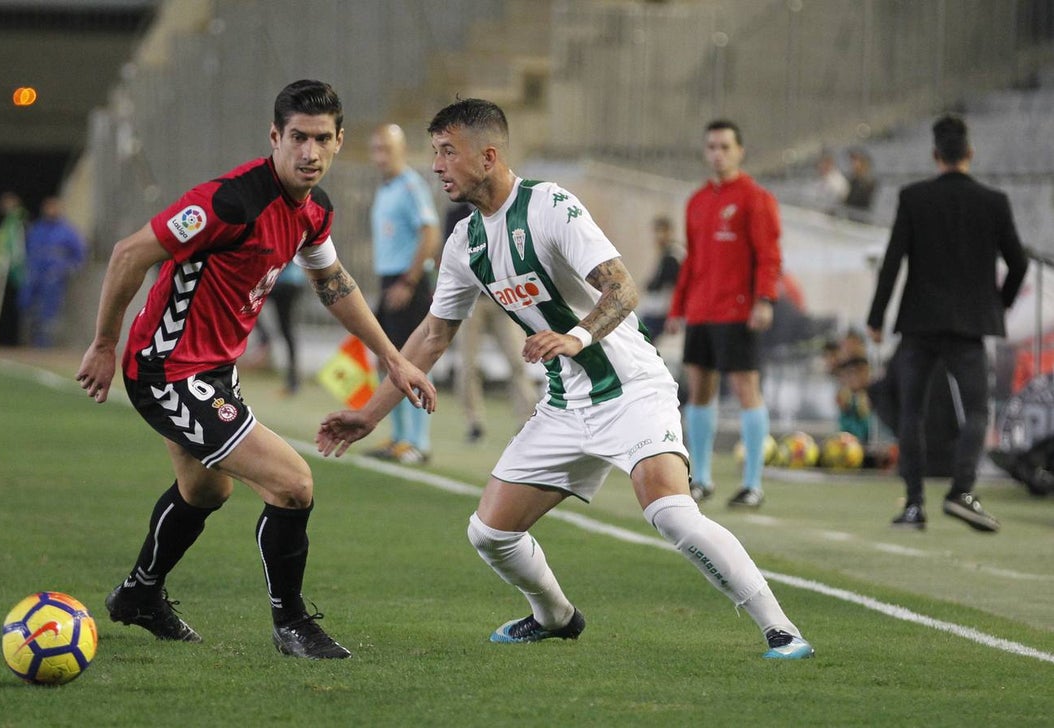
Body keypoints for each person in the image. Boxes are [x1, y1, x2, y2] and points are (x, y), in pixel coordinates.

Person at [317, 98, 813, 660]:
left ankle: (783, 631)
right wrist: (368, 413)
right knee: (489, 533)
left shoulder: (550, 205)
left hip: (631, 390)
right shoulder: (464, 244)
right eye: (434, 152)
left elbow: (621, 289)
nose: (436, 165)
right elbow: (431, 338)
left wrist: (575, 338)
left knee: (671, 512)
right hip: (566, 404)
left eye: (447, 152)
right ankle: (554, 617)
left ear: (488, 155)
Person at [75, 80, 436, 660]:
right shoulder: (229, 202)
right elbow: (128, 253)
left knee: (206, 489)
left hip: (213, 370)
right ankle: (292, 624)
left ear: (340, 141)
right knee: (292, 484)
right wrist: (102, 342)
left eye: (322, 139)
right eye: (297, 137)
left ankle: (139, 595)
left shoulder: (313, 211)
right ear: (275, 137)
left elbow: (332, 283)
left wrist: (393, 359)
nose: (309, 152)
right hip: (166, 369)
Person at [867, 113, 1028, 533]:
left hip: (919, 323)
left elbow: (893, 262)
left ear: (935, 155)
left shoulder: (913, 197)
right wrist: (998, 305)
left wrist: (876, 317)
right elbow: (1019, 262)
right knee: (977, 410)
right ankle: (961, 490)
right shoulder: (993, 201)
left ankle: (915, 506)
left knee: (911, 413)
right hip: (970, 325)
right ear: (969, 154)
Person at [666, 119, 782, 509]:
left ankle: (753, 484)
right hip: (701, 310)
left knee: (747, 389)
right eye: (712, 147)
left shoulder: (755, 198)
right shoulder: (697, 201)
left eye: (725, 147)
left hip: (738, 311)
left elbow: (769, 254)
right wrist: (678, 306)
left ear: (740, 151)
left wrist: (764, 298)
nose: (718, 153)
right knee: (699, 390)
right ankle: (700, 478)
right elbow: (692, 260)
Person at [365, 123, 441, 464]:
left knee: (411, 360)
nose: (381, 157)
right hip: (389, 281)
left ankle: (418, 442)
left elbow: (430, 233)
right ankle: (398, 438)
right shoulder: (386, 188)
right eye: (377, 150)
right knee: (385, 359)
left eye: (387, 150)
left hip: (408, 283)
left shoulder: (411, 185)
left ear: (401, 150)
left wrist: (408, 282)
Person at [447, 200, 537, 442]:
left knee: (518, 359)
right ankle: (473, 421)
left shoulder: (501, 212)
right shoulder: (455, 216)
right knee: (467, 363)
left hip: (501, 298)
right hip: (470, 301)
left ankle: (526, 418)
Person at [20, 196, 87, 347]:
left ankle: (47, 347)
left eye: (54, 207)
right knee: (28, 310)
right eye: (48, 207)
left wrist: (65, 270)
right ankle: (27, 345)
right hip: (34, 277)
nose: (51, 211)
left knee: (50, 314)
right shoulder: (36, 229)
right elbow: (27, 252)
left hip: (54, 280)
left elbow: (80, 256)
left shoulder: (68, 231)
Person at [267, 262, 308, 394]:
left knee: (286, 330)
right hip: (293, 282)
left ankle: (293, 380)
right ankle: (293, 380)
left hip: (284, 283)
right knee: (287, 331)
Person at [0, 191, 27, 345]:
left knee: (21, 306)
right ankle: (7, 340)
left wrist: (15, 261)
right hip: (6, 269)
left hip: (18, 269)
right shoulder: (6, 224)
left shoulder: (18, 221)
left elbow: (18, 245)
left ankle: (19, 342)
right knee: (8, 307)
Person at [637, 215, 682, 336]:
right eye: (656, 231)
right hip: (656, 308)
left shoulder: (673, 255)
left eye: (662, 231)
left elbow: (672, 283)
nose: (659, 236)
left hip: (660, 310)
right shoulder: (665, 253)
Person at [843, 148, 876, 223]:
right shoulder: (851, 180)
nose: (852, 164)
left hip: (861, 222)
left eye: (855, 160)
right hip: (849, 220)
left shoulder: (869, 183)